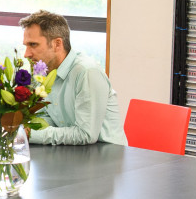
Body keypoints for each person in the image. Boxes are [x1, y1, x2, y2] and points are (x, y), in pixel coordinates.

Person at [20, 9, 123, 146]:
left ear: (57, 44)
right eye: (26, 46)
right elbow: (48, 117)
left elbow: (85, 134)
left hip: (105, 157)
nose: (26, 54)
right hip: (73, 152)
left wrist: (31, 134)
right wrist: (25, 127)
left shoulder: (86, 72)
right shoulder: (43, 71)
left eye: (33, 44)